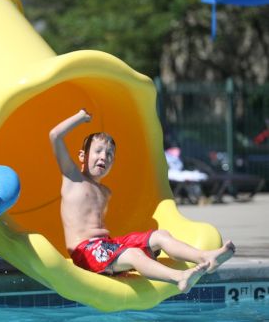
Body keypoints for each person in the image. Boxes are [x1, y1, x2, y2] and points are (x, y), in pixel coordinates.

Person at [49, 109, 235, 293]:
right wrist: (80, 117)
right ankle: (179, 278)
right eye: (98, 151)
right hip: (86, 252)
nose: (104, 157)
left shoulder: (105, 191)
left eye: (110, 155)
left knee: (160, 235)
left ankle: (204, 257)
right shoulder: (73, 178)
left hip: (106, 245)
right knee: (134, 254)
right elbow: (55, 135)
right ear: (82, 156)